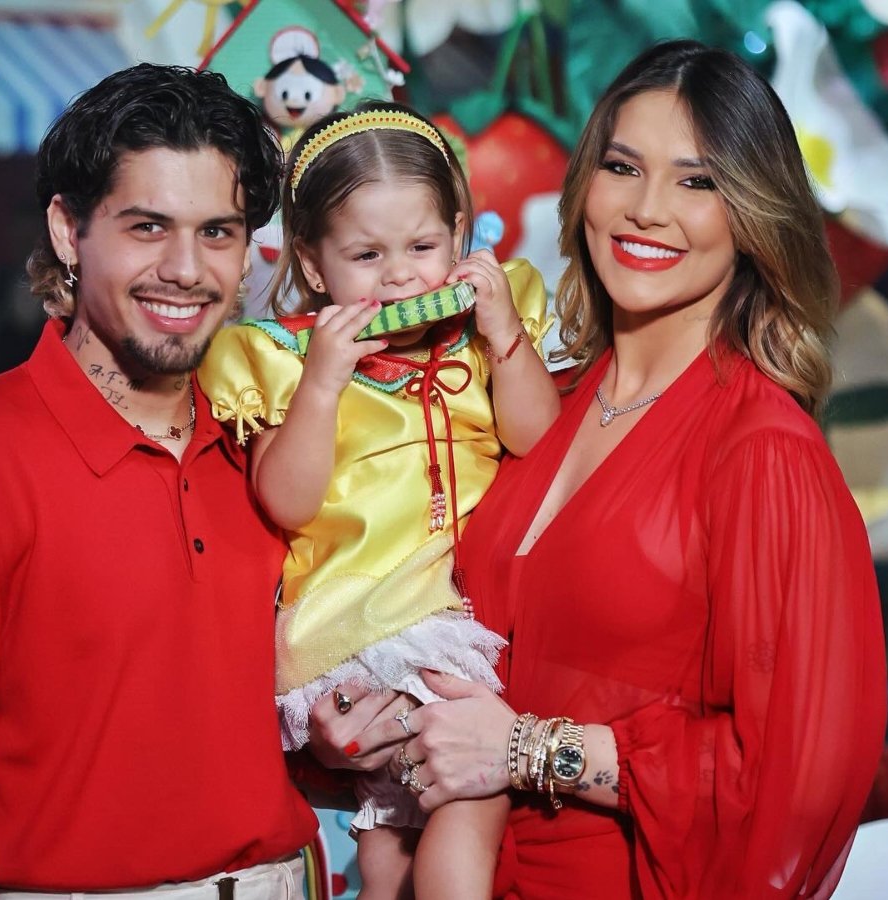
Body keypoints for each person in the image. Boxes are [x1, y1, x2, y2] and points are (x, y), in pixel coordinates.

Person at [310, 41, 888, 899]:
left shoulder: (763, 453)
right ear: (587, 186)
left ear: (752, 216)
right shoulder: (537, 401)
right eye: (624, 167)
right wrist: (360, 731)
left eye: (698, 181)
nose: (647, 209)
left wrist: (528, 749)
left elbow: (789, 779)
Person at [0, 64, 317, 899]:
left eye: (217, 232)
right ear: (68, 230)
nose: (185, 269)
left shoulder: (271, 445)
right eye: (146, 226)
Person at [198, 102, 560, 900]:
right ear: (315, 264)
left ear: (461, 236)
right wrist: (323, 384)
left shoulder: (483, 331)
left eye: (424, 247)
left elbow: (541, 440)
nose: (400, 275)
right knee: (472, 795)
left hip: (461, 610)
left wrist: (506, 338)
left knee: (391, 844)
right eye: (366, 254)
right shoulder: (282, 357)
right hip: (366, 621)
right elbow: (286, 503)